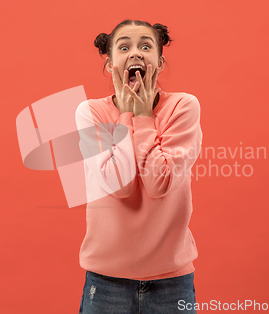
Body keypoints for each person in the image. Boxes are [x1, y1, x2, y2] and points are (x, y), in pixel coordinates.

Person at [75, 19, 202, 314]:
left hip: (171, 282)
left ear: (159, 62)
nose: (136, 53)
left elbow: (160, 184)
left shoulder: (183, 107)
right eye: (124, 47)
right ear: (110, 65)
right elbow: (120, 186)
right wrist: (126, 115)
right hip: (106, 282)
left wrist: (144, 118)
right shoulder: (91, 112)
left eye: (146, 46)